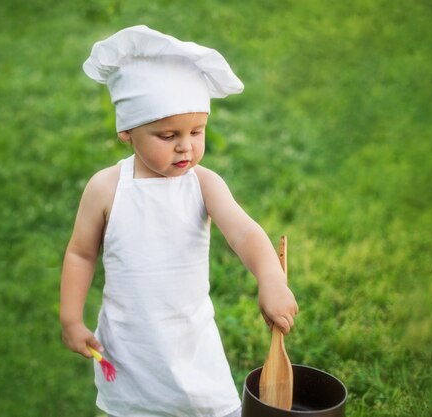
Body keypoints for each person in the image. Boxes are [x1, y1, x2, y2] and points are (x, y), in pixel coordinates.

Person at [60, 25, 298, 417]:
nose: (185, 145)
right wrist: (71, 318)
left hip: (191, 339)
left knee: (211, 407)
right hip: (130, 344)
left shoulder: (203, 184)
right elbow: (81, 254)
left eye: (197, 131)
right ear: (127, 132)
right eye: (167, 134)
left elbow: (244, 234)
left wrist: (271, 279)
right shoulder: (106, 189)